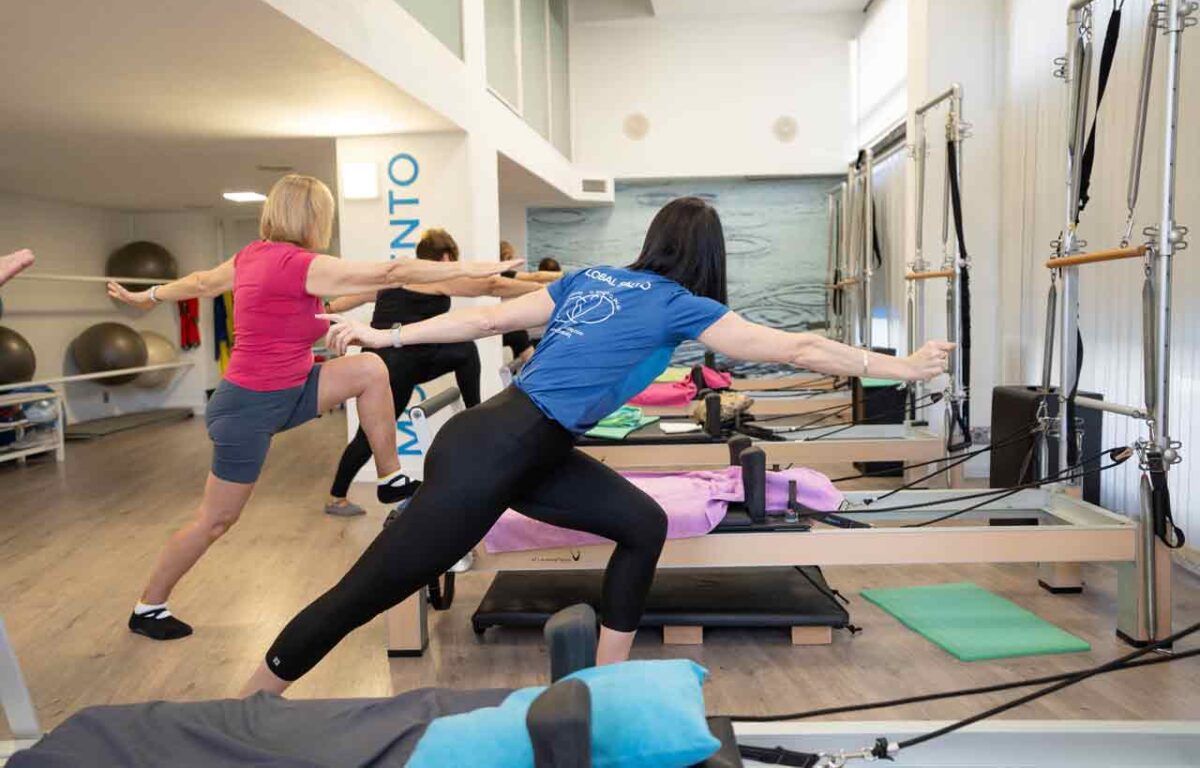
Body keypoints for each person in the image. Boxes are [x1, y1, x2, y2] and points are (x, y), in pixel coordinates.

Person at [240, 196, 952, 695]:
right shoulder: (687, 305)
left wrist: (391, 334)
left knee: (640, 524)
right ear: (710, 255)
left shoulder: (594, 279)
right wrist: (901, 367)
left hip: (518, 444)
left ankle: (601, 686)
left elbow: (488, 319)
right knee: (364, 593)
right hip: (497, 450)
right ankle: (250, 699)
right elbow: (797, 347)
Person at [107, 174, 517, 640]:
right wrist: (476, 267)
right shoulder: (299, 263)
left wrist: (149, 296)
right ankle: (149, 605)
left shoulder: (252, 257)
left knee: (370, 370)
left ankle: (390, 479)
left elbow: (202, 282)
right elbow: (392, 272)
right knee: (217, 519)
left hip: (295, 388)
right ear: (312, 216)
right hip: (247, 408)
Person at [323, 228, 543, 515]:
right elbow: (493, 287)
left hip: (395, 360)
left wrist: (324, 310)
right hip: (397, 364)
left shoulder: (398, 277)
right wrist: (547, 292)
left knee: (462, 350)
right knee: (372, 435)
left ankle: (336, 496)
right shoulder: (435, 278)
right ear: (446, 257)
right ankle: (476, 415)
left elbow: (352, 299)